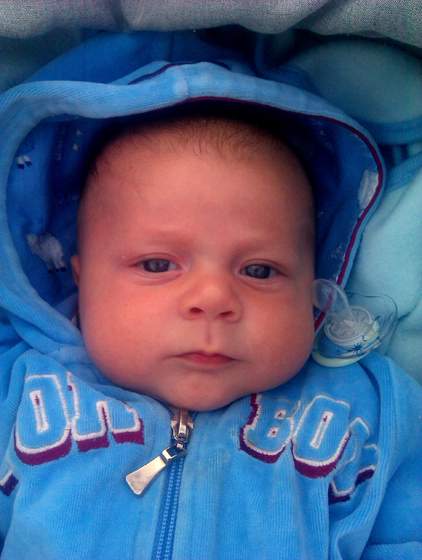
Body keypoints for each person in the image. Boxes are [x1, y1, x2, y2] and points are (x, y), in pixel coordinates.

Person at [0, 33, 420, 559]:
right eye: (158, 264)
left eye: (260, 270)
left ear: (317, 286)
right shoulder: (18, 392)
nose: (214, 297)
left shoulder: (370, 411)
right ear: (81, 278)